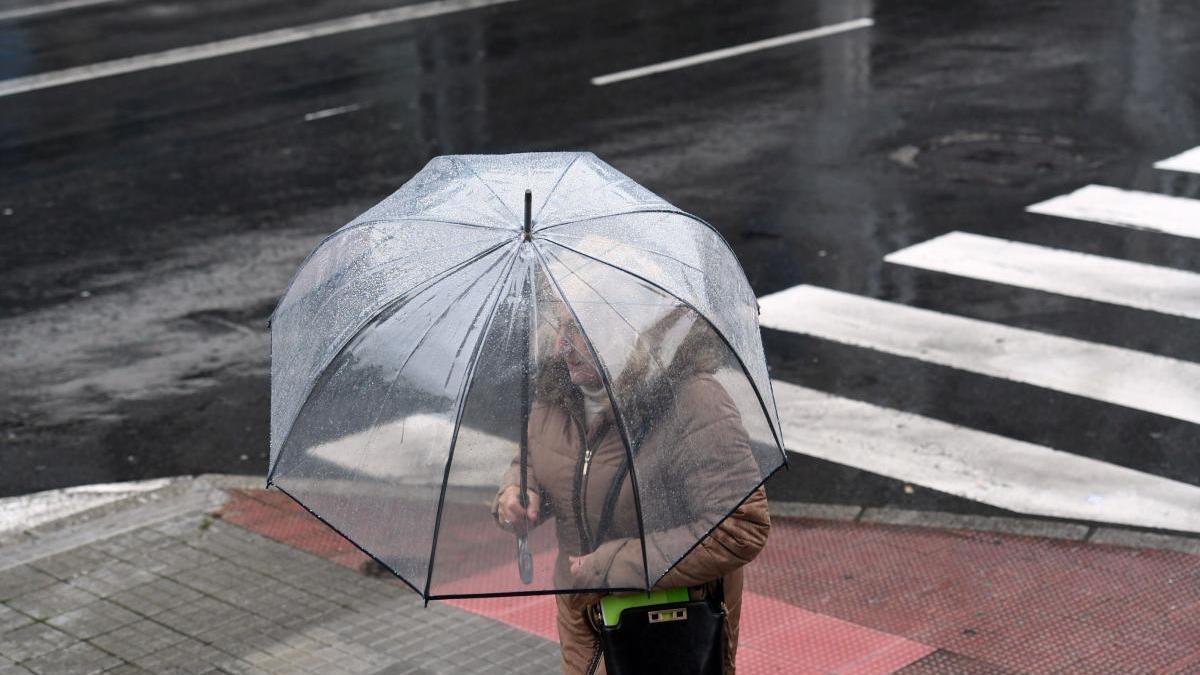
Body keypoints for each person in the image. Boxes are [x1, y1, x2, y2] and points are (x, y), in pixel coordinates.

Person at [492, 303, 771, 675]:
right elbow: (543, 454)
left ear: (627, 323)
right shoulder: (558, 389)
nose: (561, 345)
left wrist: (612, 565)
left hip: (663, 624)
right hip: (581, 619)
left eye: (576, 328)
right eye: (558, 326)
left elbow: (740, 527)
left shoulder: (692, 401)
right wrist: (519, 489)